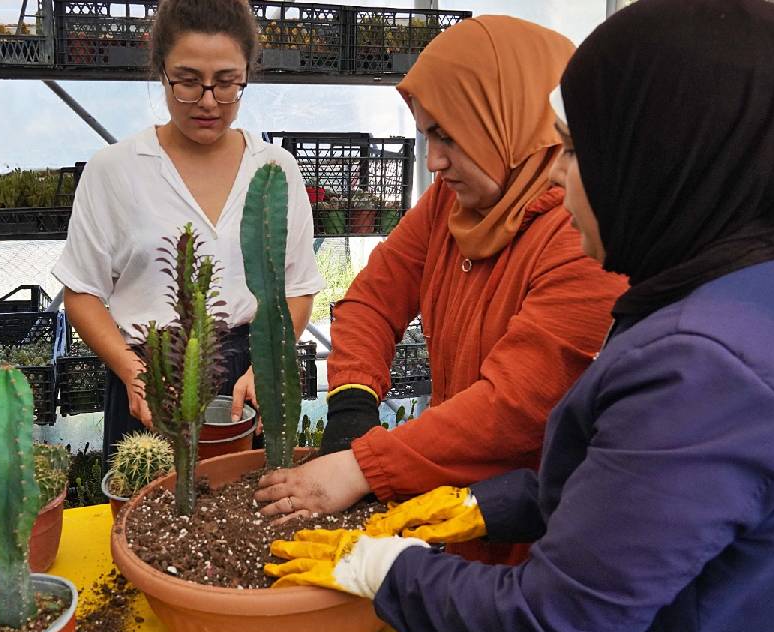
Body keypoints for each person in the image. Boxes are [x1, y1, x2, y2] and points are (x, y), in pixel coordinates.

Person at [262, 1, 774, 632]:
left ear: (658, 160)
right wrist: (481, 504)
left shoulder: (705, 369)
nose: (558, 172)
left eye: (580, 148)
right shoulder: (749, 284)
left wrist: (380, 568)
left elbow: (557, 616)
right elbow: (625, 481)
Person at [254, 16, 627, 565]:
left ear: (510, 119)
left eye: (449, 135)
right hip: (451, 509)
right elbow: (372, 300)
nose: (433, 160)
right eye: (427, 134)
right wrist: (352, 404)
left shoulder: (582, 236)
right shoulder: (452, 207)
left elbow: (514, 408)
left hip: (537, 540)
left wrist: (364, 467)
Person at [53, 0, 324, 451]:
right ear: (161, 71)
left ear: (246, 76)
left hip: (247, 375)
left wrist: (267, 365)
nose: (207, 102)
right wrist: (134, 374)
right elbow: (81, 290)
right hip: (150, 372)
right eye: (188, 82)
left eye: (226, 84)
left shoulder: (275, 171)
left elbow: (297, 287)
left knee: (247, 511)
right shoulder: (116, 169)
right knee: (149, 506)